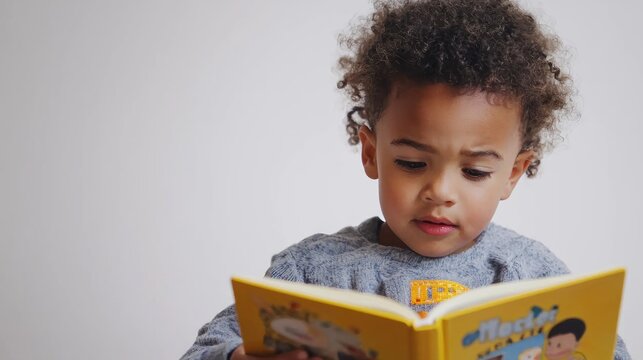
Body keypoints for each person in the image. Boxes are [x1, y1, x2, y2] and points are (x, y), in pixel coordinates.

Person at [181, 0, 630, 359]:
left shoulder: (532, 275)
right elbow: (202, 350)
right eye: (413, 164)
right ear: (372, 153)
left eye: (474, 172)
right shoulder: (311, 271)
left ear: (512, 173)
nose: (440, 192)